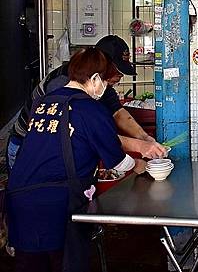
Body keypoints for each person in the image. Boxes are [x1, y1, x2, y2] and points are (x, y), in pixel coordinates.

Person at [6, 48, 146, 272]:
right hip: (57, 206)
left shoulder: (44, 102)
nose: (108, 88)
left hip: (20, 201)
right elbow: (118, 162)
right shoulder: (90, 108)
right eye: (106, 82)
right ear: (95, 79)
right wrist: (140, 164)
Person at [6, 35, 166, 171]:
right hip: (26, 145)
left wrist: (144, 137)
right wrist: (139, 150)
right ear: (100, 66)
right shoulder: (62, 84)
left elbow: (117, 112)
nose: (118, 78)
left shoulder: (99, 85)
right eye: (117, 72)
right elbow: (91, 134)